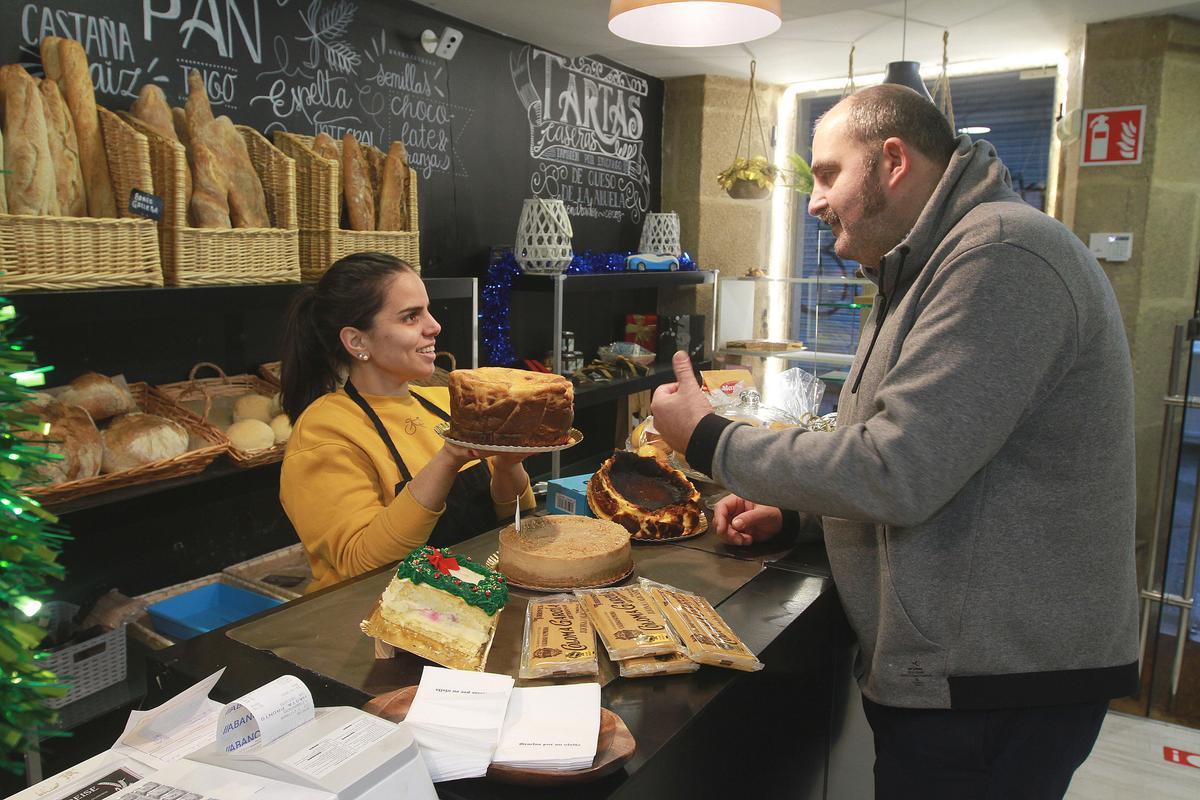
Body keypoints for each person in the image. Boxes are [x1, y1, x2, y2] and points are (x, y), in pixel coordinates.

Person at [651, 85, 1138, 799]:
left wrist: (710, 438)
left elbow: (896, 468)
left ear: (893, 161)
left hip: (993, 682)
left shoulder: (1001, 254)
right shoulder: (922, 266)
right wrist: (801, 516)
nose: (813, 201)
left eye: (826, 175)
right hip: (965, 673)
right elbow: (939, 455)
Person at [279, 252, 534, 593]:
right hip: (377, 620)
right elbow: (361, 564)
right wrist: (448, 459)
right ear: (357, 341)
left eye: (427, 310)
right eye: (411, 317)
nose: (434, 326)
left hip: (476, 598)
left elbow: (516, 522)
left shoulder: (444, 400)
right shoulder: (324, 434)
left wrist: (506, 466)